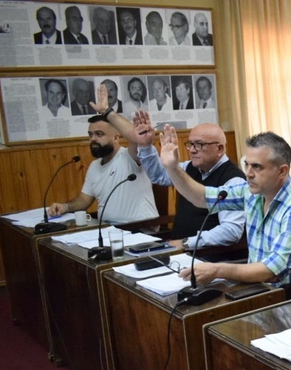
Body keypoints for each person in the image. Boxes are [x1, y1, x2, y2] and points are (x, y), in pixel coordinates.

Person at [152, 124, 291, 292]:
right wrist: (172, 167)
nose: (248, 173)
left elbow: (271, 272)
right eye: (246, 164)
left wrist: (217, 270)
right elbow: (202, 197)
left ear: (282, 171)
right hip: (258, 290)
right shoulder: (252, 192)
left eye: (257, 167)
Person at [95, 85, 245, 250]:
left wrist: (186, 243)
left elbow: (231, 231)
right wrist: (145, 146)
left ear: (220, 149)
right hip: (177, 250)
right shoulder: (191, 167)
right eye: (190, 144)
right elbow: (159, 175)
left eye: (200, 144)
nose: (193, 149)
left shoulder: (233, 180)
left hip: (208, 257)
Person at [46, 115, 158, 224]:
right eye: (90, 135)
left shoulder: (130, 156)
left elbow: (136, 141)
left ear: (115, 137)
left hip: (139, 230)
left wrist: (108, 112)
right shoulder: (94, 166)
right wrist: (65, 207)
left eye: (99, 134)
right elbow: (84, 200)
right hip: (107, 229)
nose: (93, 139)